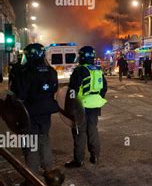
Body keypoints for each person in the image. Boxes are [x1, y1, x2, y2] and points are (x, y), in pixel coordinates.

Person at [10, 43, 59, 177]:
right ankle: (48, 170)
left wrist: (15, 76)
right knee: (44, 139)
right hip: (46, 112)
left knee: (31, 143)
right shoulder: (51, 71)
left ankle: (32, 176)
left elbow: (19, 94)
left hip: (29, 112)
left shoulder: (25, 72)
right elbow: (54, 89)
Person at [65, 46, 107, 168]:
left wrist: (70, 106)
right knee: (92, 130)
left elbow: (73, 90)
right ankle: (95, 156)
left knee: (80, 132)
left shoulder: (79, 70)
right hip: (95, 105)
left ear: (82, 56)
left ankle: (79, 160)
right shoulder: (98, 70)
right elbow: (104, 88)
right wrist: (96, 98)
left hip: (81, 105)